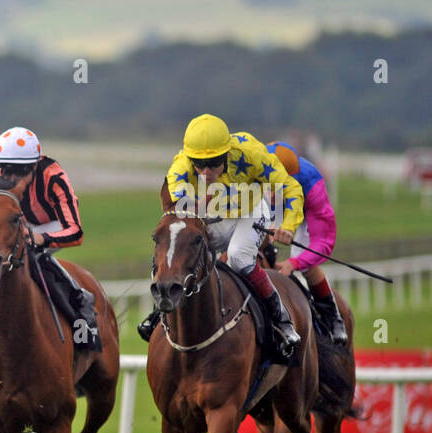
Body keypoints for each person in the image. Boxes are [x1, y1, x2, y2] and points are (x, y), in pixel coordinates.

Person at [137, 114, 305, 358]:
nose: (205, 172)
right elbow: (177, 199)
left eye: (214, 163)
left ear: (227, 154)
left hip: (250, 211)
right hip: (216, 214)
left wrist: (288, 225)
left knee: (238, 257)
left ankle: (282, 319)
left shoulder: (252, 154)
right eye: (199, 164)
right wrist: (193, 203)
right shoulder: (182, 164)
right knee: (182, 246)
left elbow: (290, 187)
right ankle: (159, 311)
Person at [0, 126, 99, 351]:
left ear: (35, 165)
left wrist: (41, 238)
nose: (11, 178)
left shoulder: (53, 175)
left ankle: (80, 308)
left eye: (20, 171)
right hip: (10, 224)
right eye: (6, 170)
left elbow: (75, 231)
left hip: (50, 225)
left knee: (38, 258)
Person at [262, 140, 347, 344]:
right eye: (268, 187)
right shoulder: (249, 174)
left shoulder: (311, 185)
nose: (272, 194)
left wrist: (295, 263)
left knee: (304, 261)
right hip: (265, 211)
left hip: (303, 212)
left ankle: (332, 315)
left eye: (279, 189)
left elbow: (323, 244)